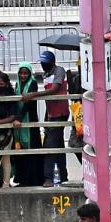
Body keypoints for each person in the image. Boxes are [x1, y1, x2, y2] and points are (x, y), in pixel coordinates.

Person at [38, 51, 70, 184]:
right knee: (58, 145)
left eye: (45, 63)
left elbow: (54, 90)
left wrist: (34, 95)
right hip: (51, 113)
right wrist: (46, 118)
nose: (43, 65)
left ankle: (48, 178)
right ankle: (63, 176)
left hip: (61, 113)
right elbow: (48, 101)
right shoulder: (45, 75)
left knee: (49, 145)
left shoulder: (59, 71)